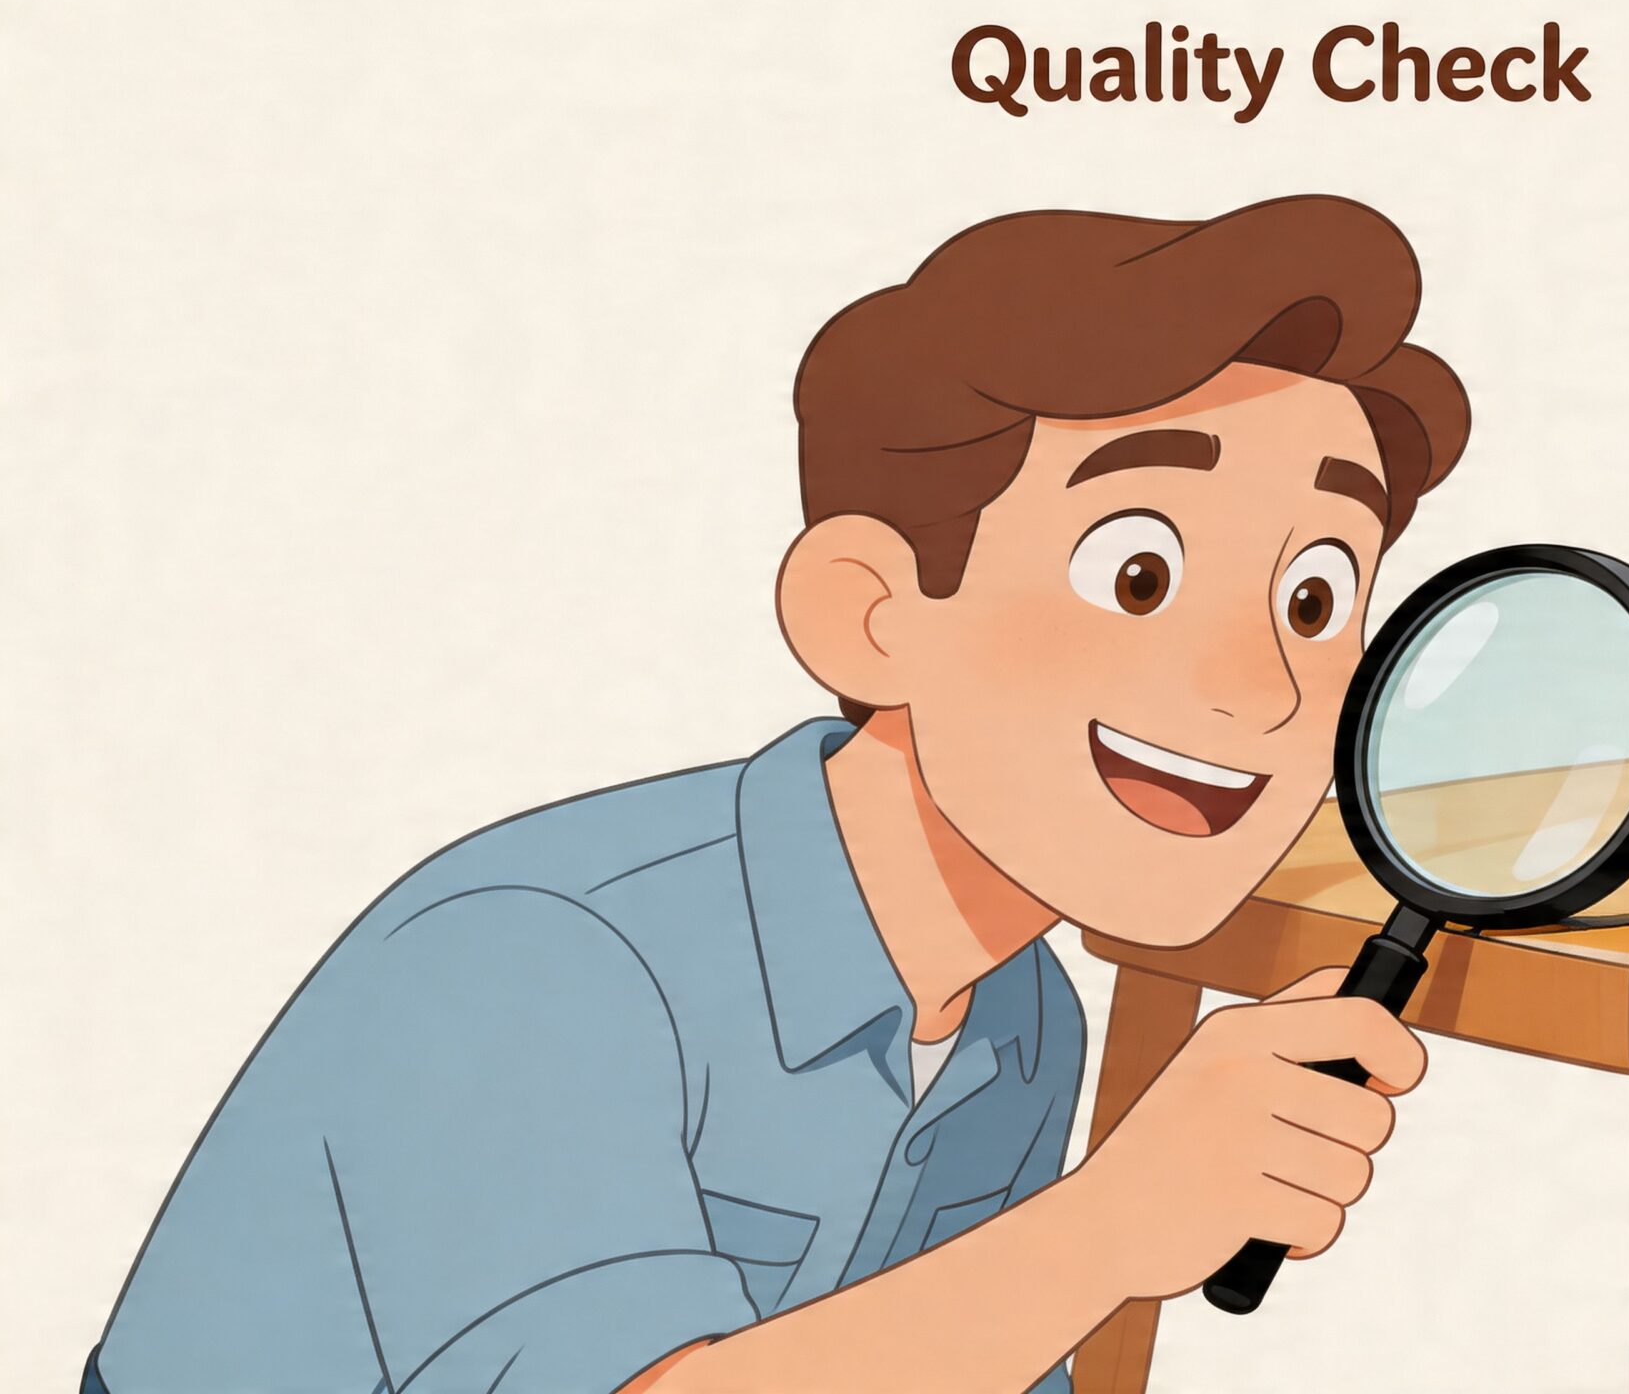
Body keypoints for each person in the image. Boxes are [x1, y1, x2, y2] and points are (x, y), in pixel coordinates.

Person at [88, 194, 1471, 1393]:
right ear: (866, 613)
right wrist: (1111, 1225)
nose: (1259, 689)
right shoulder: (537, 957)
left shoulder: (1017, 1016)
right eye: (1139, 575)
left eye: (1314, 597)